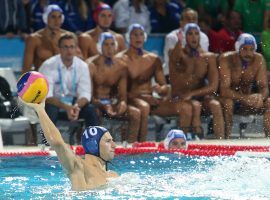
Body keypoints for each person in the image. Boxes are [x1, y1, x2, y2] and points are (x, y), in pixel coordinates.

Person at [20, 98, 118, 190]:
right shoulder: (78, 166)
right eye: (108, 141)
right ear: (93, 145)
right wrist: (40, 109)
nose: (114, 145)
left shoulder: (113, 176)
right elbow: (57, 143)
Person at [117, 23, 193, 142]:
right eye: (135, 35)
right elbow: (120, 91)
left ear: (145, 37)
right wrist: (142, 97)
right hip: (130, 101)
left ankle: (183, 145)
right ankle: (138, 146)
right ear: (128, 38)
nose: (138, 37)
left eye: (141, 34)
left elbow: (163, 86)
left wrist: (161, 89)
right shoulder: (120, 59)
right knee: (144, 107)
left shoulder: (153, 59)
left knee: (185, 107)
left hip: (151, 101)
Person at [39, 33, 99, 144]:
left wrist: (76, 107)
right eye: (65, 47)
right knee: (50, 108)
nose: (69, 50)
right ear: (59, 49)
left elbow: (86, 94)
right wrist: (66, 107)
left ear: (76, 48)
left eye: (72, 47)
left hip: (73, 106)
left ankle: (93, 144)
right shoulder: (48, 65)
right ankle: (46, 144)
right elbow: (47, 96)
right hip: (55, 105)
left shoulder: (82, 66)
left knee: (90, 109)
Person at [169, 23, 225, 139]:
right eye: (190, 34)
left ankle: (222, 141)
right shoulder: (177, 53)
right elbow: (174, 58)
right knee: (191, 106)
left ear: (200, 36)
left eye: (196, 34)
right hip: (180, 97)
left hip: (198, 97)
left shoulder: (209, 57)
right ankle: (182, 141)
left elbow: (213, 86)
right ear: (185, 37)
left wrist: (192, 94)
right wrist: (179, 42)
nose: (194, 37)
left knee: (215, 105)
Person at [86, 32, 141, 143]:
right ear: (99, 46)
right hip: (96, 104)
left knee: (135, 113)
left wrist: (122, 103)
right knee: (94, 112)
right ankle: (95, 146)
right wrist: (103, 105)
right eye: (106, 44)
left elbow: (122, 95)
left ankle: (131, 147)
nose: (109, 48)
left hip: (111, 104)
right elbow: (89, 96)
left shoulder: (121, 66)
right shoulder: (90, 65)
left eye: (112, 44)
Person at [219, 33, 270, 138]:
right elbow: (224, 90)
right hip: (230, 99)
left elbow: (264, 87)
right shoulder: (226, 59)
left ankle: (268, 139)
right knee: (228, 103)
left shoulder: (258, 59)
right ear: (238, 48)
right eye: (245, 49)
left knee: (269, 102)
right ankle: (226, 138)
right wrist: (244, 98)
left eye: (252, 49)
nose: (248, 53)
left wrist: (260, 97)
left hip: (247, 100)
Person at [163, 8, 209, 79]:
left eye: (194, 19)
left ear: (197, 22)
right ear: (181, 22)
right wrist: (180, 42)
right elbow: (173, 62)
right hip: (173, 74)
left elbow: (202, 59)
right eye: (188, 19)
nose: (191, 22)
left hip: (195, 74)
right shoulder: (172, 37)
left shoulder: (203, 37)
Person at [23, 4, 69, 72]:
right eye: (53, 17)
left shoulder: (68, 37)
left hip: (64, 80)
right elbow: (26, 69)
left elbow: (78, 63)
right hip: (42, 80)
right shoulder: (34, 39)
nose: (57, 21)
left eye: (59, 17)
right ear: (45, 18)